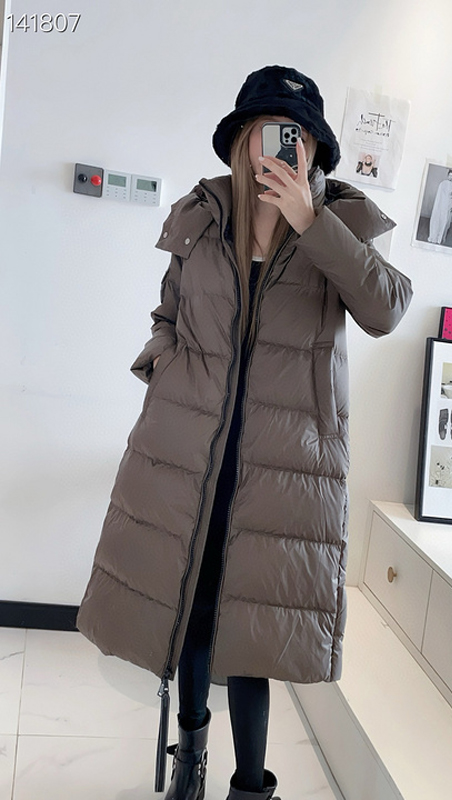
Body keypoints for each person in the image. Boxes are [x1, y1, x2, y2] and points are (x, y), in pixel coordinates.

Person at [77, 65, 413, 800]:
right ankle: (191, 762)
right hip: (194, 449)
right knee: (195, 616)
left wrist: (312, 223)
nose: (280, 151)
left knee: (254, 638)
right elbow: (168, 313)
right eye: (266, 134)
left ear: (314, 150)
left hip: (284, 462)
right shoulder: (204, 216)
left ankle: (251, 786)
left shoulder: (341, 224)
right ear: (241, 142)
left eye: (296, 139)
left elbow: (387, 310)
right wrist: (165, 371)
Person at [428, 169, 452, 244]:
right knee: (437, 219)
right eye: (449, 175)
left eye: (451, 176)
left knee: (444, 220)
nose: (450, 177)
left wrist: (451, 205)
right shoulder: (442, 183)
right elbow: (439, 195)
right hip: (441, 203)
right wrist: (439, 204)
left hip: (447, 204)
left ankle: (440, 238)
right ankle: (434, 236)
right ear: (447, 175)